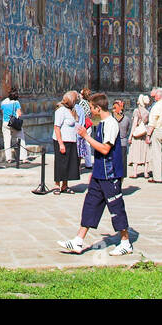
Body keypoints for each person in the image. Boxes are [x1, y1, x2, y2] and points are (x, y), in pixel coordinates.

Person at [57, 93, 134, 256]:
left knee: (116, 207)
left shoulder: (111, 124)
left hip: (110, 173)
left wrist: (86, 137)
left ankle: (126, 242)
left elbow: (105, 149)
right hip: (100, 173)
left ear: (98, 108)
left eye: (91, 108)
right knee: (90, 205)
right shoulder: (103, 123)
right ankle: (78, 241)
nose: (90, 111)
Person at [52, 91, 80, 193]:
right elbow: (57, 127)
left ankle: (65, 185)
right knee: (61, 163)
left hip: (71, 140)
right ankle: (57, 184)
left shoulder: (71, 110)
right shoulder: (61, 111)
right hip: (62, 141)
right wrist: (60, 143)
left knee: (68, 163)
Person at [1, 88, 27, 166]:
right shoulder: (16, 102)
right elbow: (19, 114)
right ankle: (23, 157)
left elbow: (2, 112)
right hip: (14, 123)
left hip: (5, 122)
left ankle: (8, 158)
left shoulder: (3, 102)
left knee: (7, 140)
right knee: (21, 139)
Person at [127, 95, 152, 178]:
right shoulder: (147, 112)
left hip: (137, 134)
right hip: (144, 133)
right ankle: (145, 172)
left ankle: (135, 172)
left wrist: (130, 136)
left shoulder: (136, 111)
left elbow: (134, 124)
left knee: (136, 152)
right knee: (145, 152)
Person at [75, 88, 94, 170]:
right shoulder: (88, 103)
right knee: (87, 144)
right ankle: (88, 162)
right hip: (88, 124)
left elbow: (80, 114)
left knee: (84, 144)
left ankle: (87, 163)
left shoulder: (82, 103)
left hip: (84, 125)